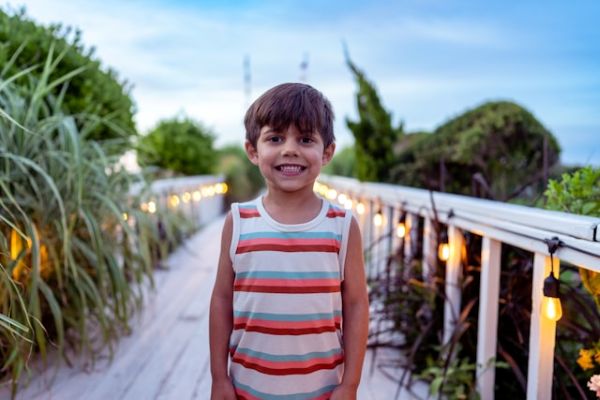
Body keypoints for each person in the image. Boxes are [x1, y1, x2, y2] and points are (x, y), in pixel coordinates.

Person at [209, 83, 369, 400]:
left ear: (327, 152)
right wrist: (219, 378)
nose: (290, 149)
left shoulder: (342, 226)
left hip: (321, 390)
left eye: (305, 139)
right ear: (253, 150)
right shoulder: (239, 221)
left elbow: (356, 305)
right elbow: (222, 300)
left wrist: (349, 384)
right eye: (275, 138)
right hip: (248, 388)